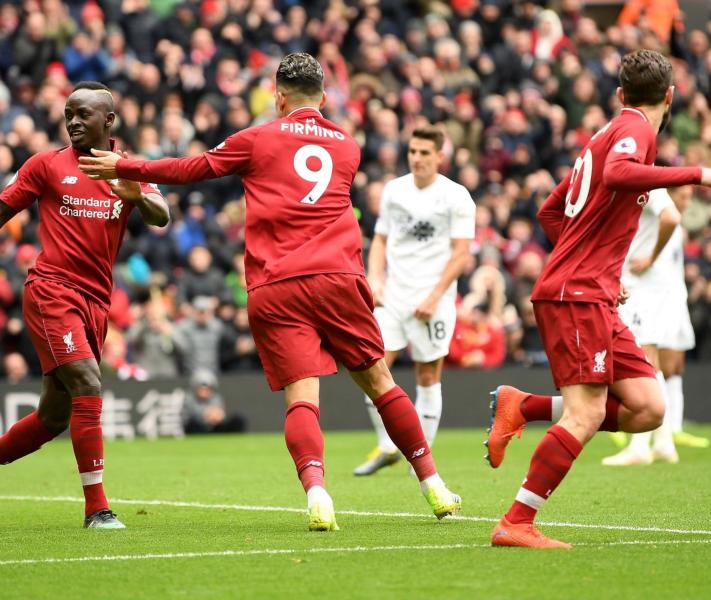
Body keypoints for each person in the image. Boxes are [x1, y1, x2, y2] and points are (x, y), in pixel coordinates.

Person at [79, 52, 462, 531]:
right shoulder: (348, 145)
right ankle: (433, 485)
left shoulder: (257, 138)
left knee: (303, 398)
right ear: (323, 98)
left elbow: (192, 168)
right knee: (382, 383)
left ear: (278, 96)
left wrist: (127, 166)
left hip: (277, 283)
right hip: (339, 277)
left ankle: (318, 493)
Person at [482, 50, 711, 548]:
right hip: (576, 295)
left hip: (588, 291)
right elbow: (621, 175)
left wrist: (591, 265)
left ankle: (523, 405)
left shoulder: (601, 135)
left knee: (648, 407)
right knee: (588, 415)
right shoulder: (636, 130)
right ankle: (515, 522)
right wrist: (696, 173)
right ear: (670, 96)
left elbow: (550, 210)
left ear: (620, 93)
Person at [0, 81, 169, 529]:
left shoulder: (128, 169)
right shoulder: (47, 165)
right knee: (88, 382)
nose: (74, 122)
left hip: (96, 300)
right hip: (51, 290)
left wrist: (136, 194)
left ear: (109, 121)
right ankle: (97, 508)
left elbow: (161, 216)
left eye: (84, 114)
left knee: (53, 415)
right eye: (69, 114)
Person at [352, 125, 474, 476]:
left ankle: (421, 454)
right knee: (370, 368)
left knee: (426, 375)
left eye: (424, 153)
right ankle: (389, 445)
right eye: (412, 152)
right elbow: (379, 241)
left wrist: (435, 296)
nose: (417, 158)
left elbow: (461, 254)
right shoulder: (394, 190)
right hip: (393, 296)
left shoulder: (456, 196)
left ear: (440, 157)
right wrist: (375, 279)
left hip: (432, 299)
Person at [603, 186, 687, 465]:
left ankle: (642, 445)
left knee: (645, 358)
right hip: (646, 287)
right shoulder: (637, 188)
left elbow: (671, 217)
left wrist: (650, 257)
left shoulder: (650, 187)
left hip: (643, 287)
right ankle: (662, 443)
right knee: (649, 358)